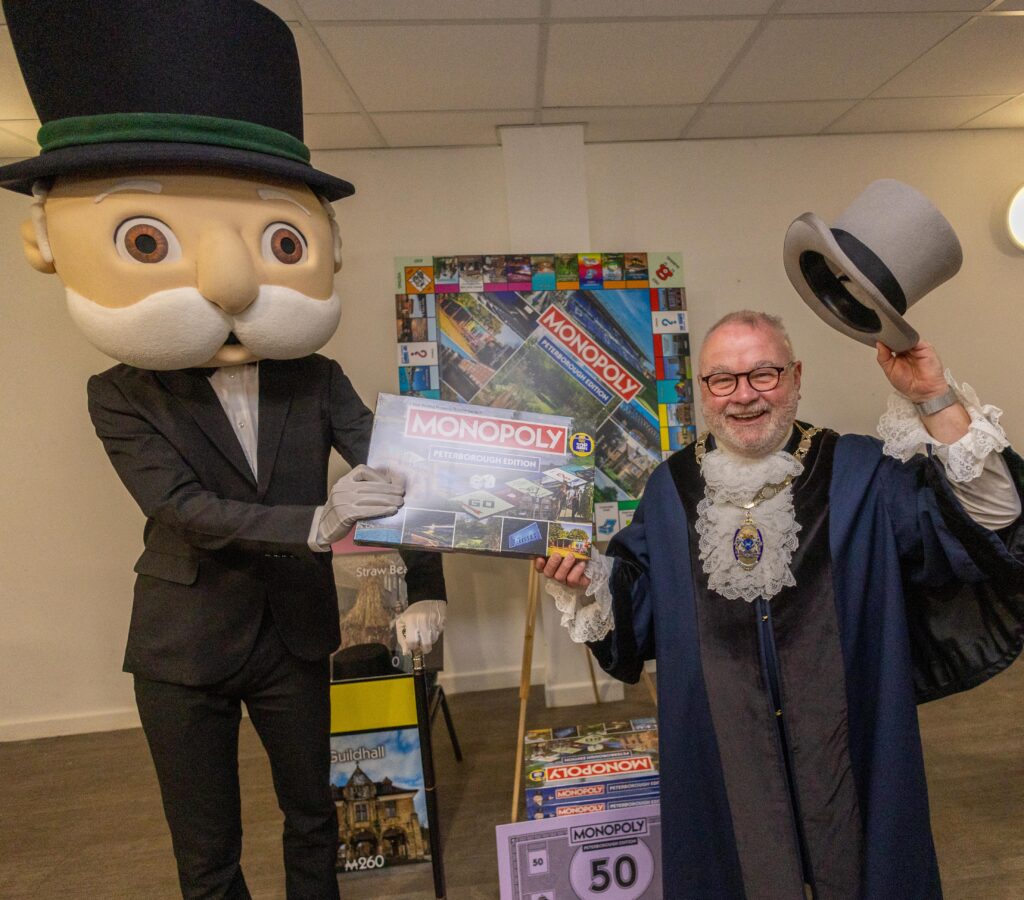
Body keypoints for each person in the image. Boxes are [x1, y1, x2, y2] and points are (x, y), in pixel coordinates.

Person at [0, 2, 446, 897]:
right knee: (207, 855)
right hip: (182, 649)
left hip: (293, 636)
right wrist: (321, 518)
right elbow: (182, 510)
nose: (230, 283)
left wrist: (430, 580)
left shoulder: (312, 377)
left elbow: (404, 473)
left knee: (316, 818)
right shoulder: (120, 392)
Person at [537, 310, 1024, 900]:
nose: (743, 396)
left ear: (795, 376)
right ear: (704, 391)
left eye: (763, 374)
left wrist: (934, 396)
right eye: (723, 379)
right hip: (721, 746)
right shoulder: (670, 487)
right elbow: (640, 601)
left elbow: (990, 519)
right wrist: (586, 579)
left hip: (849, 736)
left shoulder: (860, 471)